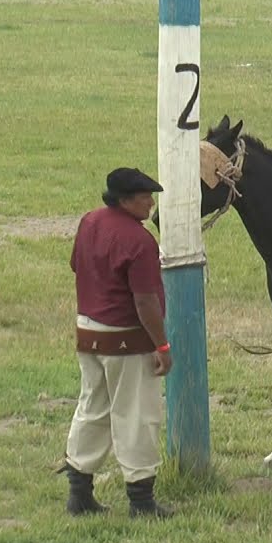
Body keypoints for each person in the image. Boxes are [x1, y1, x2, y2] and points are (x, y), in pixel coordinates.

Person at [59, 167, 174, 519]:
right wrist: (162, 346)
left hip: (89, 331)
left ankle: (79, 491)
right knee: (137, 415)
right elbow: (145, 301)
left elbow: (75, 265)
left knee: (92, 408)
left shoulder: (89, 222)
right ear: (126, 200)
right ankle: (141, 500)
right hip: (127, 340)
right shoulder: (139, 242)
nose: (151, 204)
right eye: (145, 198)